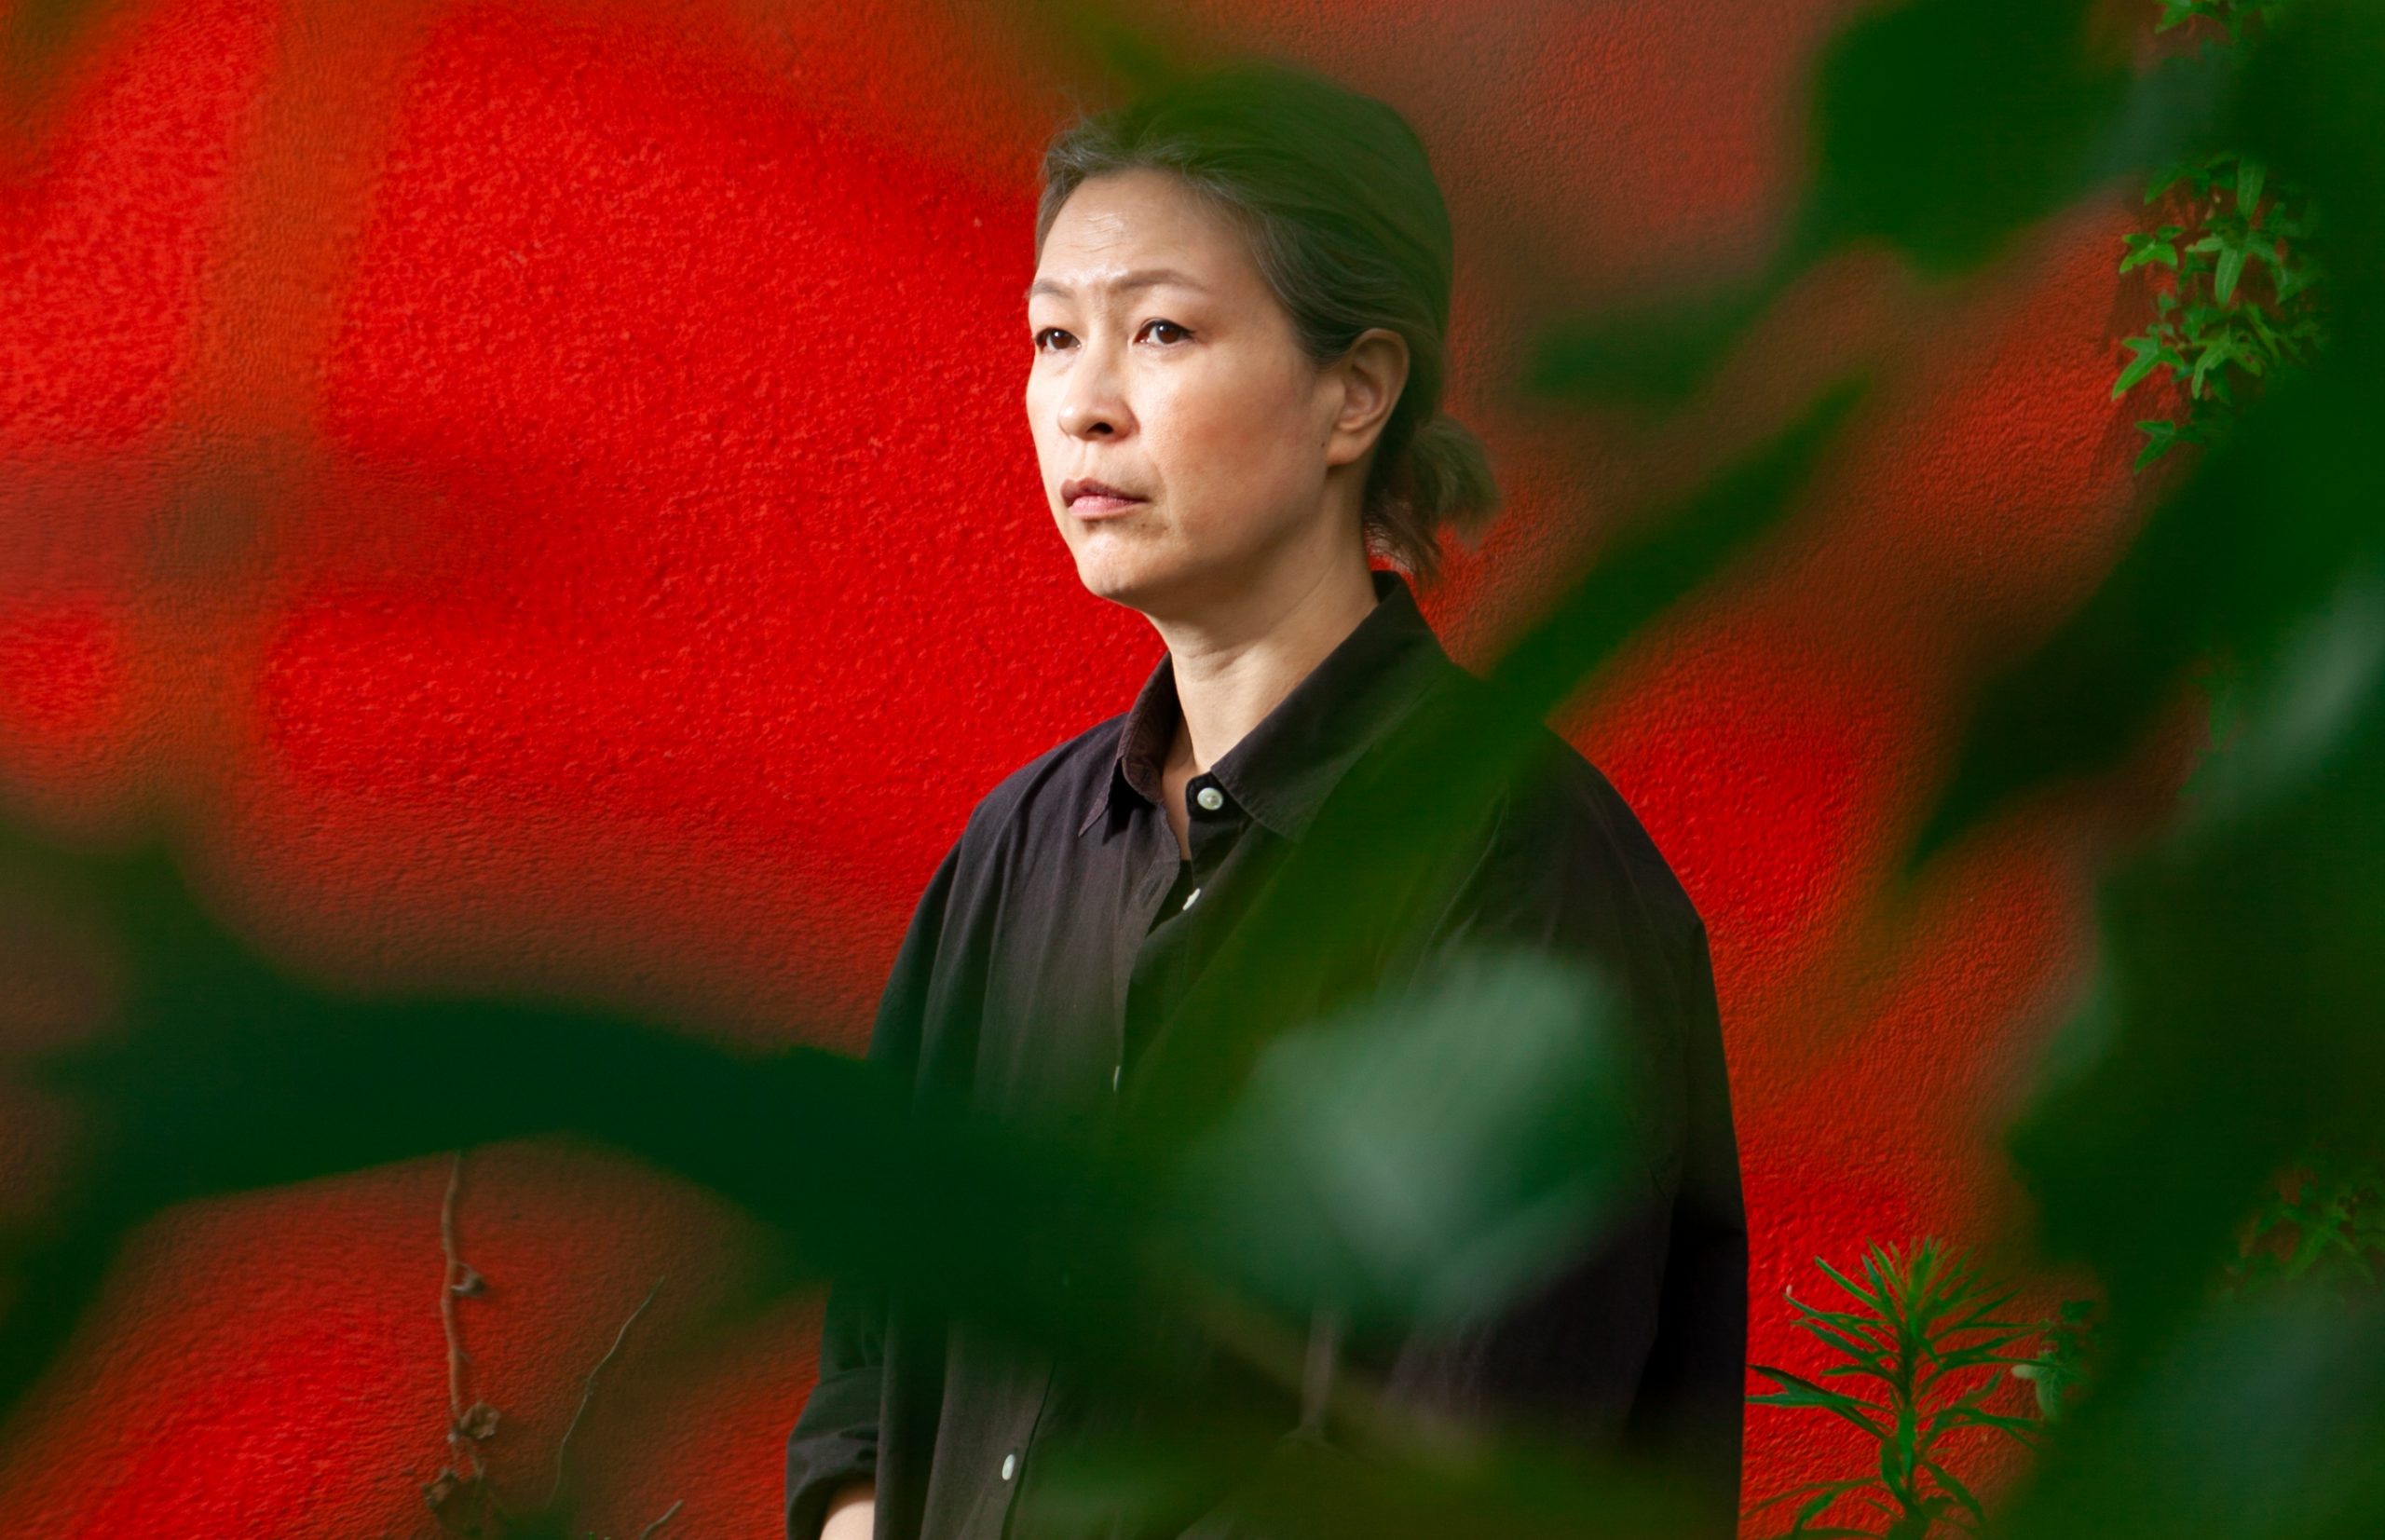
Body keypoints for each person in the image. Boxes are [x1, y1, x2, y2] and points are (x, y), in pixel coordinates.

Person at [785, 60, 1746, 1540]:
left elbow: (1472, 1467)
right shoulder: (1018, 853)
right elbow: (874, 1361)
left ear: (1354, 392)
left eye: (1160, 329)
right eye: (1054, 335)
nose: (1083, 407)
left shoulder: (1517, 868)